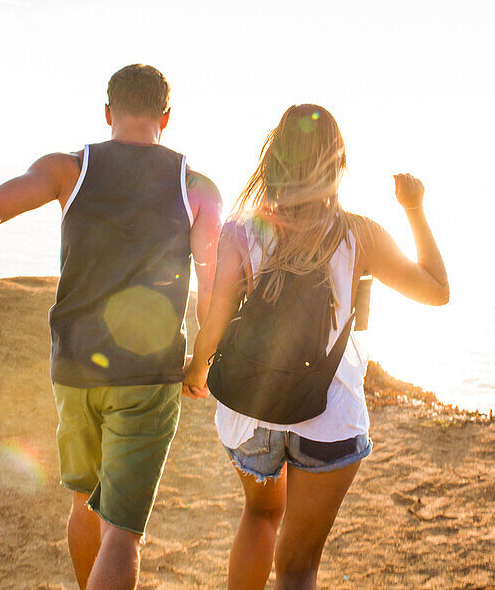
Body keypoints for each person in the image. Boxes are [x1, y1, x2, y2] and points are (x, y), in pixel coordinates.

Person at [0, 64, 222, 590]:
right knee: (122, 532)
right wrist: (200, 365)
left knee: (84, 502)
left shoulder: (67, 170)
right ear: (166, 117)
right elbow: (211, 285)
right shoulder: (196, 186)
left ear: (107, 112)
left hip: (73, 370)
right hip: (147, 377)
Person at [182, 104, 448, 590]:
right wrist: (413, 209)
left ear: (274, 160)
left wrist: (197, 371)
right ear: (338, 164)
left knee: (260, 518)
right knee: (299, 565)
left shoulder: (243, 230)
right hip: (330, 416)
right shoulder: (357, 233)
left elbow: (214, 322)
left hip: (251, 412)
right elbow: (436, 290)